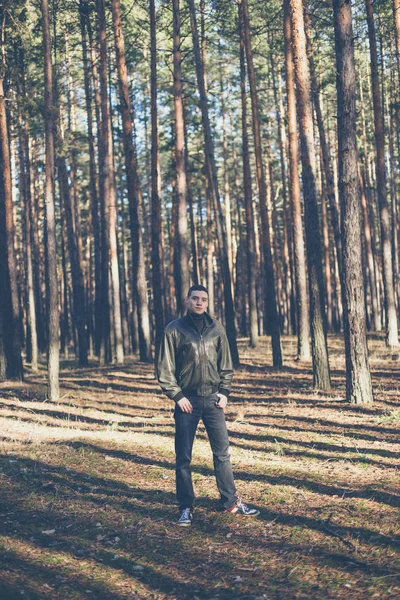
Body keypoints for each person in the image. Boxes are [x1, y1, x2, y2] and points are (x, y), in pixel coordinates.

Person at [156, 284, 260, 526]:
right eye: (195, 298)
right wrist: (177, 396)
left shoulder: (216, 329)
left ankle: (230, 502)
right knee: (183, 457)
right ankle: (185, 507)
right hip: (187, 402)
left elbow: (226, 364)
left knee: (222, 453)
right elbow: (164, 369)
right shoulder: (174, 330)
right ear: (187, 300)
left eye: (203, 299)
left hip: (213, 401)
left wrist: (224, 392)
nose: (199, 302)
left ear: (207, 302)